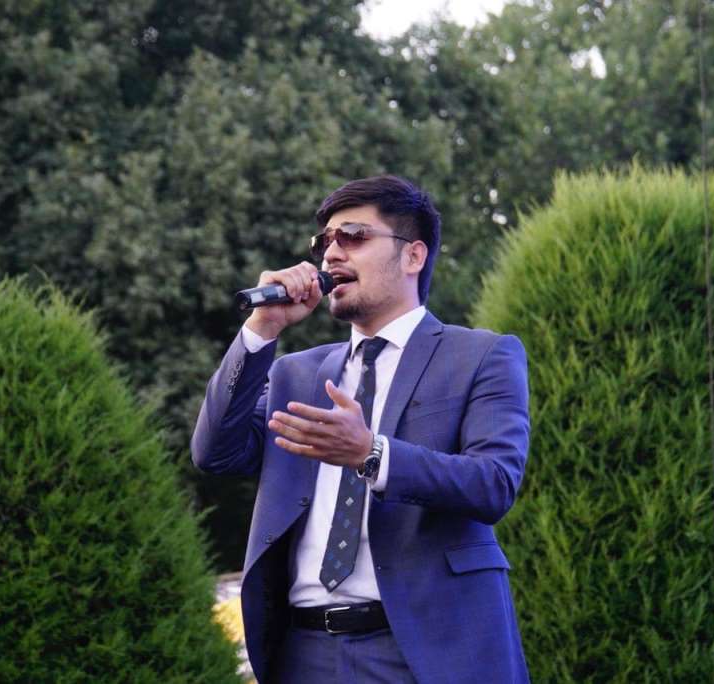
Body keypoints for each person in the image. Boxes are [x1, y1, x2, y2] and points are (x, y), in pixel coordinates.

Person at [191, 175, 530, 683]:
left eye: (353, 236)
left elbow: (494, 484)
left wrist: (372, 454)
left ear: (413, 256)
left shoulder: (480, 355)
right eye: (324, 242)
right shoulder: (295, 373)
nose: (331, 253)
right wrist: (263, 328)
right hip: (303, 653)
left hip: (422, 651)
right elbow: (215, 452)